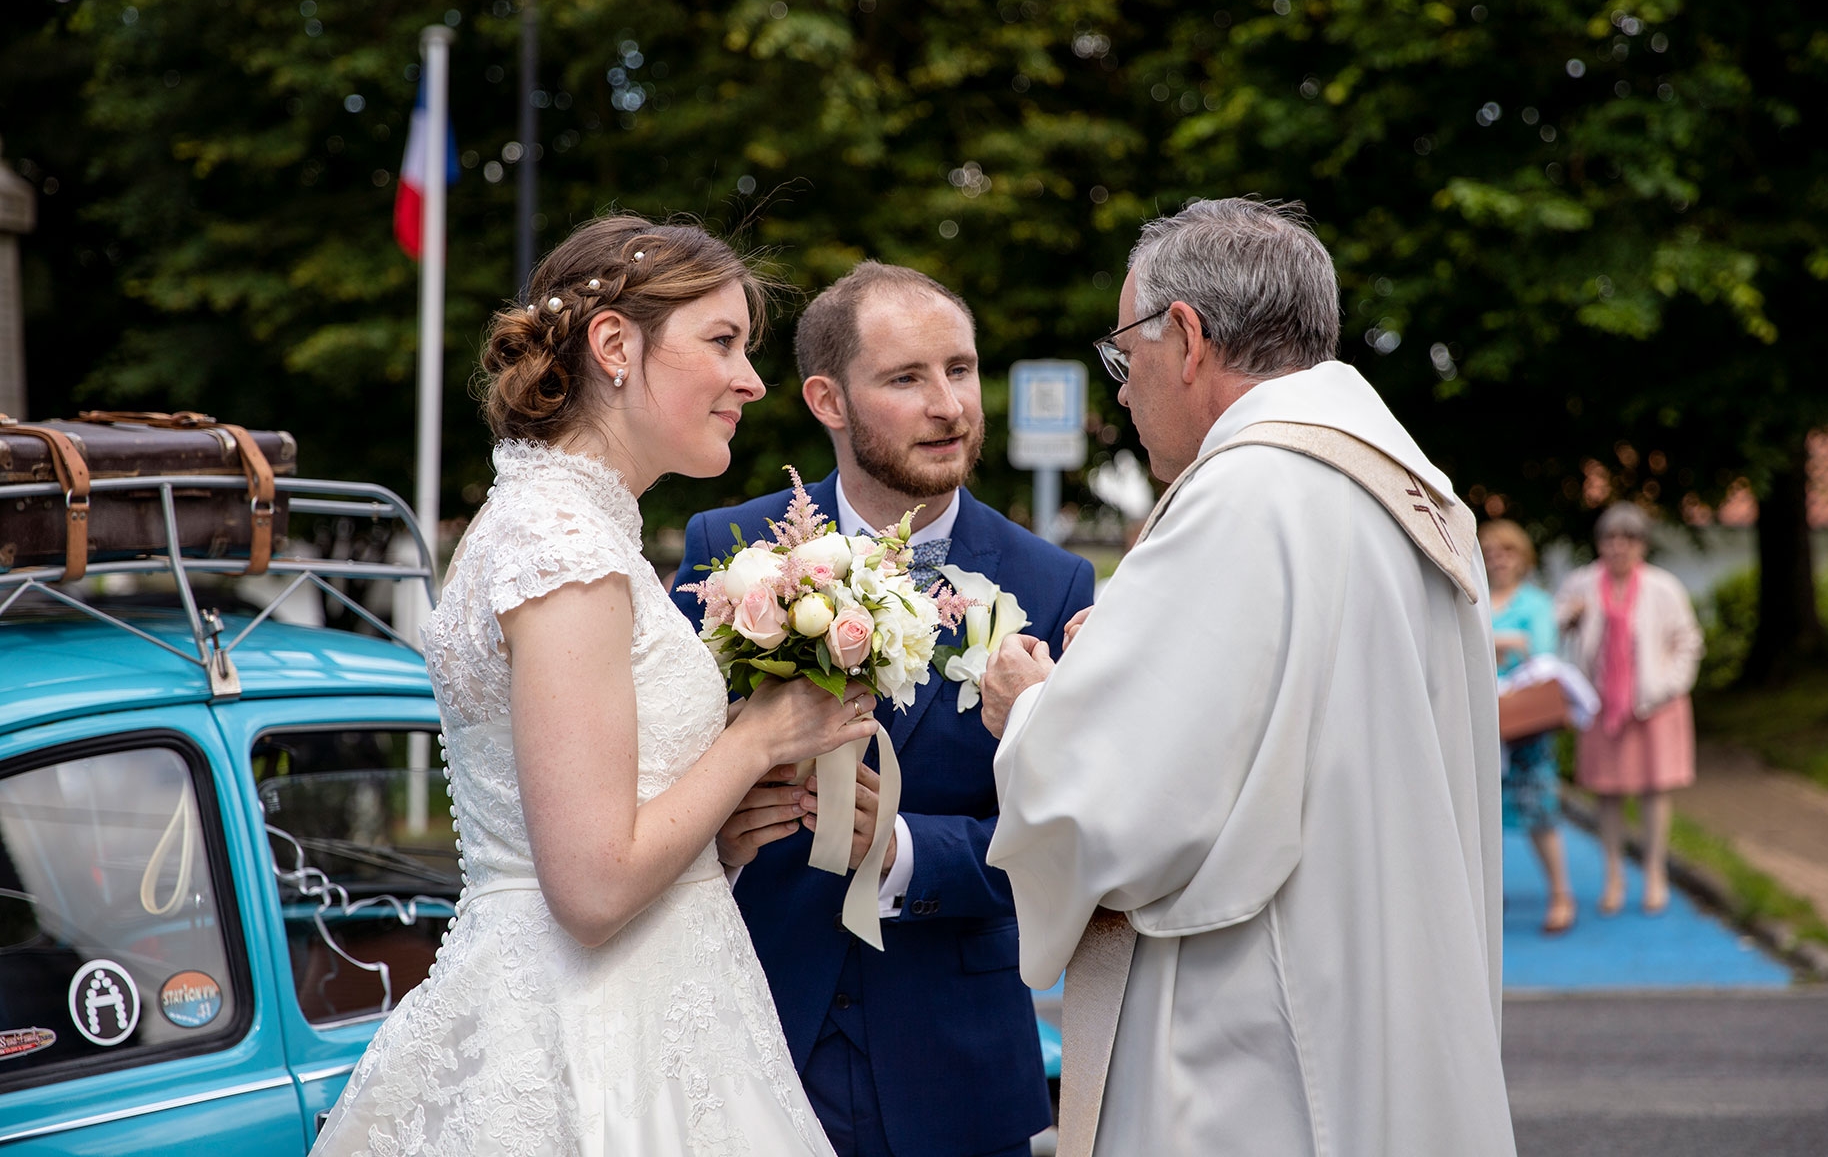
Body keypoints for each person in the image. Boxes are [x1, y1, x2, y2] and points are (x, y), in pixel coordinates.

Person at [314, 215, 878, 1156]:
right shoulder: (561, 547)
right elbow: (589, 886)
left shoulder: (569, 528)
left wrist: (719, 838)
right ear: (615, 345)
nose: (751, 380)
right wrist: (757, 739)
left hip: (647, 998)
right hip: (594, 1038)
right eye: (723, 342)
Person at [980, 198, 1516, 1157]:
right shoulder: (1409, 488)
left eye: (1124, 357)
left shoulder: (1246, 493)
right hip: (1387, 996)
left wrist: (1031, 710)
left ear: (1184, 338)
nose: (1123, 391)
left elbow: (1110, 813)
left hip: (1260, 1038)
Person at [672, 262, 1096, 1157]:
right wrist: (719, 825)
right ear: (828, 399)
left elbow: (1073, 841)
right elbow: (656, 778)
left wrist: (902, 850)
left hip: (958, 1065)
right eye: (907, 378)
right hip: (750, 1036)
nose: (949, 405)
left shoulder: (1052, 585)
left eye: (962, 369)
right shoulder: (730, 554)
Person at [1556, 501, 1704, 916]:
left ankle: (1655, 872)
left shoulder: (1663, 587)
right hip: (1602, 706)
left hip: (1653, 706)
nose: (1618, 547)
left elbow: (1688, 642)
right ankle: (1613, 875)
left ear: (1642, 545)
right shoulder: (1582, 584)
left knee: (1654, 791)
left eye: (1628, 539)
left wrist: (1669, 685)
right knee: (1607, 792)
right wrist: (1571, 619)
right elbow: (1558, 628)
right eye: (1610, 538)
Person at [1481, 518, 1578, 934]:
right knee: (1482, 816)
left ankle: (1560, 893)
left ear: (1522, 558)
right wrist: (1507, 642)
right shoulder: (1475, 599)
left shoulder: (1535, 603)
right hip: (1484, 722)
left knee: (1538, 808)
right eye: (1489, 553)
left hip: (1524, 725)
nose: (1498, 560)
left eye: (1506, 552)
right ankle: (1487, 896)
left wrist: (1498, 643)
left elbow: (1541, 655)